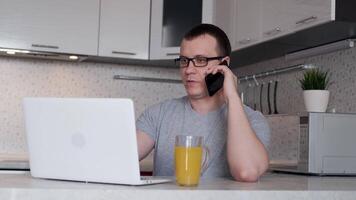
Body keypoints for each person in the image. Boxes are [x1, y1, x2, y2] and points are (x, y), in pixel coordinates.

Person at [136, 24, 270, 182]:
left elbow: (247, 172)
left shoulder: (252, 120)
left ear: (224, 64)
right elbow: (118, 156)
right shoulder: (158, 115)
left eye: (201, 60)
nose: (188, 70)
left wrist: (233, 97)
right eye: (184, 60)